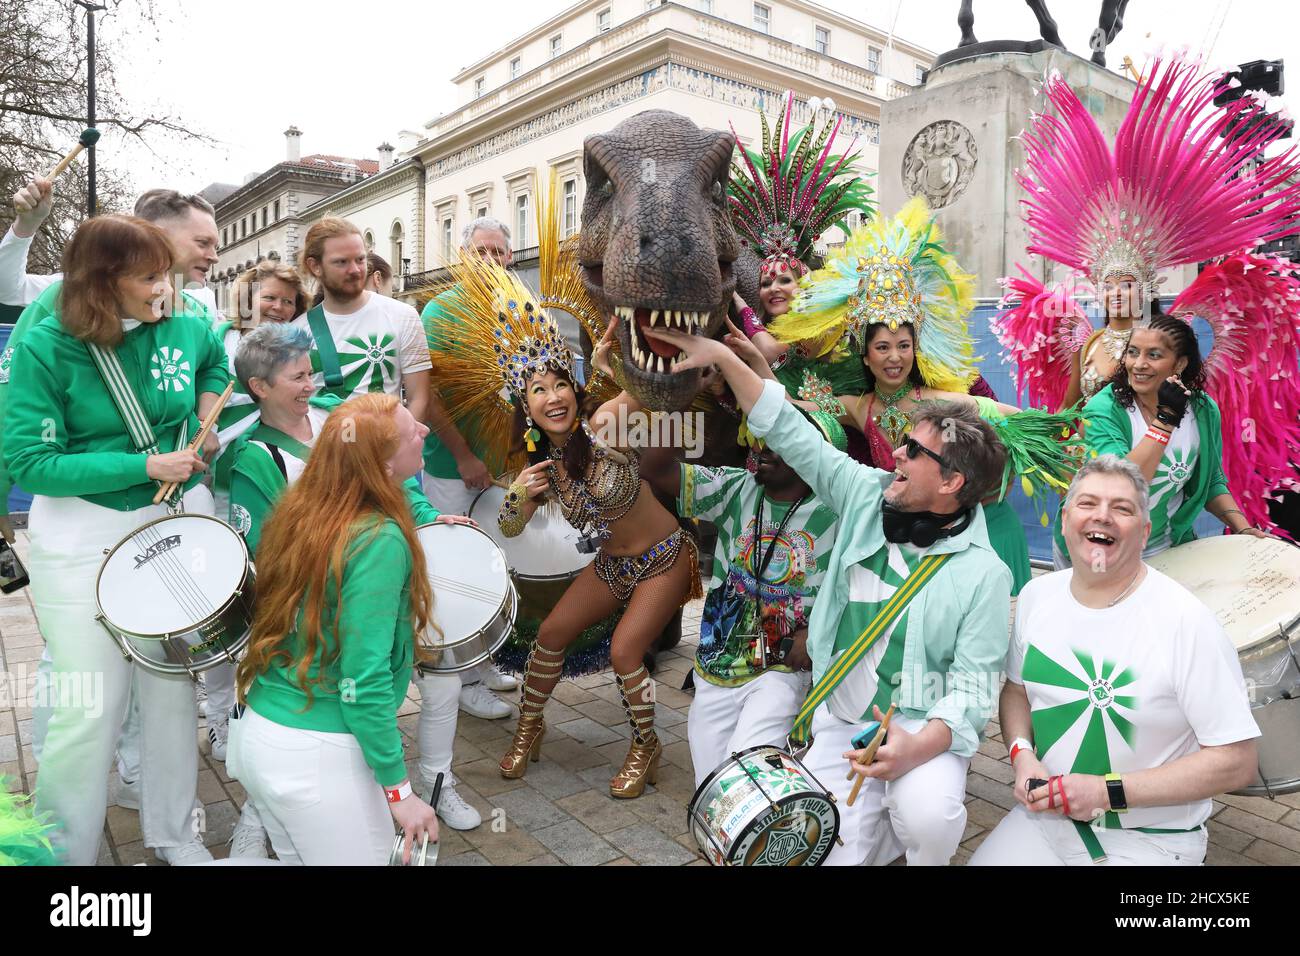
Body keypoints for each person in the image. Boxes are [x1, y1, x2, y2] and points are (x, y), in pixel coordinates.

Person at [646, 318, 1012, 865]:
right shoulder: (866, 495)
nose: (896, 456)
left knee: (928, 815)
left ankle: (914, 841)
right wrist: (724, 359)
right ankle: (875, 831)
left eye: (913, 451)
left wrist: (916, 746)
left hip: (916, 725)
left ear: (953, 483)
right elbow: (790, 429)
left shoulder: (985, 573)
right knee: (814, 847)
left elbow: (972, 690)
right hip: (841, 723)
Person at [4, 214, 229, 865]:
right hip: (81, 536)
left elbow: (214, 355)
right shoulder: (47, 343)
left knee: (169, 687)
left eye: (169, 272)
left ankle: (173, 833)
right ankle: (66, 853)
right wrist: (143, 466)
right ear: (104, 284)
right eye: (150, 276)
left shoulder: (182, 316)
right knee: (89, 703)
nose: (169, 287)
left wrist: (207, 409)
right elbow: (30, 462)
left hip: (168, 525)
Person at [994, 56, 1300, 534]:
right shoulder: (1088, 346)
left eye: (1126, 285)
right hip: (1096, 474)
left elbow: (1198, 443)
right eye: (1109, 285)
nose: (1116, 294)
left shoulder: (1172, 354)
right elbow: (1071, 411)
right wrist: (1033, 435)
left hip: (1156, 479)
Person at [454, 261, 700, 798]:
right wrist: (519, 491)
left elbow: (657, 388)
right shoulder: (539, 469)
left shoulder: (606, 423)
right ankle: (529, 728)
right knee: (550, 635)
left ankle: (645, 745)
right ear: (526, 407)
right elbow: (509, 526)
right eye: (538, 390)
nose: (553, 396)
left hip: (664, 556)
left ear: (575, 386)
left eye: (560, 383)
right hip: (612, 564)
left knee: (624, 652)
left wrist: (623, 358)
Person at [227, 323, 483, 833]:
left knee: (440, 681)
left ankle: (434, 783)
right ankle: (262, 819)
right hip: (336, 601)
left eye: (310, 373)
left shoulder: (338, 423)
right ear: (260, 386)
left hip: (377, 579)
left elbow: (392, 484)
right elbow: (266, 558)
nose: (309, 386)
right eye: (296, 377)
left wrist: (429, 518)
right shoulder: (256, 457)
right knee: (351, 689)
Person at [767, 198, 1082, 596]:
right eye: (882, 347)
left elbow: (1013, 419)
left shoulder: (939, 402)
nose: (894, 357)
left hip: (971, 534)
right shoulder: (858, 408)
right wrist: (742, 358)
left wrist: (1058, 431)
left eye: (903, 345)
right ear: (866, 355)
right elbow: (786, 406)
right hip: (907, 539)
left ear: (916, 349)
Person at [972, 455, 1260, 865]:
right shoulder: (1038, 596)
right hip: (1044, 821)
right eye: (1088, 504)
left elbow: (1236, 761)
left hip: (1151, 839)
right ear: (1065, 517)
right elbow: (1016, 691)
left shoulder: (1186, 622)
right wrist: (1022, 755)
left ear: (1144, 533)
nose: (1102, 516)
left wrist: (1107, 792)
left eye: (1121, 508)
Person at [230, 392, 440, 865]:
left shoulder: (303, 509)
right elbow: (361, 682)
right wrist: (399, 791)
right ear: (384, 467)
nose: (424, 431)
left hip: (260, 733)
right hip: (314, 756)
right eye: (411, 431)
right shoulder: (378, 540)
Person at [640, 411, 844, 788]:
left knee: (744, 772)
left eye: (782, 441)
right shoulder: (736, 487)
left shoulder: (837, 515)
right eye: (764, 437)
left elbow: (857, 593)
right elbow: (655, 467)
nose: (764, 447)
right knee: (710, 786)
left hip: (781, 671)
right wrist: (675, 398)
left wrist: (814, 633)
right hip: (717, 665)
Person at [1054, 315, 1268, 565]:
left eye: (1153, 355)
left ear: (1179, 364)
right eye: (1132, 353)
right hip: (1098, 550)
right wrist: (1165, 421)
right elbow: (1122, 487)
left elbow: (1211, 483)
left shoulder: (1202, 410)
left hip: (1166, 549)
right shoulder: (1104, 409)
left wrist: (1243, 530)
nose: (1138, 364)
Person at [421, 216, 522, 720]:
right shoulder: (441, 311)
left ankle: (483, 665)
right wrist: (463, 455)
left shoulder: (518, 307)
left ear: (510, 257)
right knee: (457, 570)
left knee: (496, 565)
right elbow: (430, 394)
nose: (490, 261)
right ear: (464, 258)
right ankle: (458, 678)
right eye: (480, 252)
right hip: (450, 467)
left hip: (504, 465)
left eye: (498, 252)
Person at [727, 90, 871, 401]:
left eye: (784, 280)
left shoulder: (819, 323)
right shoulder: (768, 329)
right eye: (766, 282)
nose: (773, 288)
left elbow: (769, 352)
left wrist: (739, 304)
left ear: (803, 283)